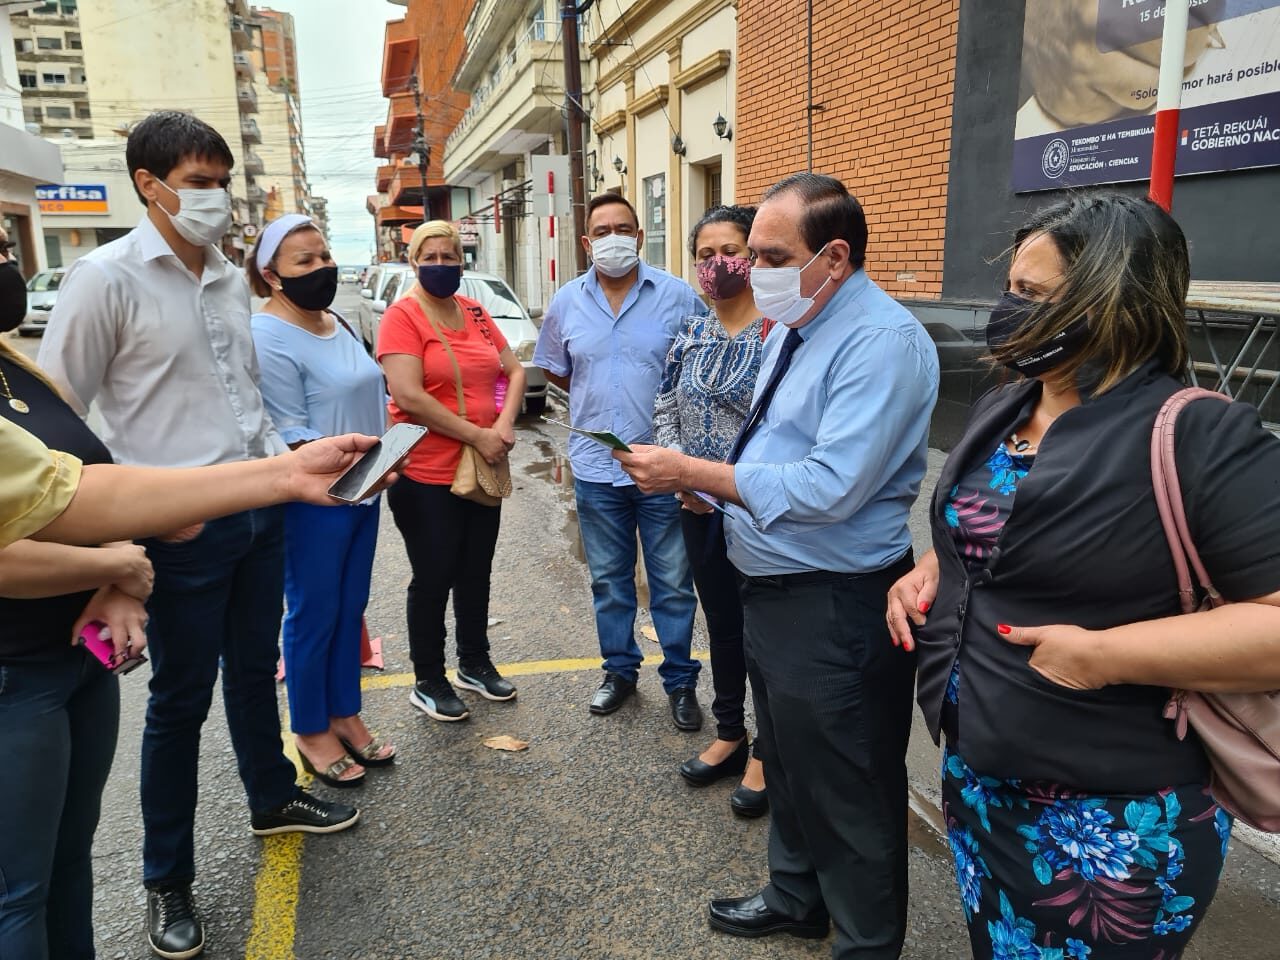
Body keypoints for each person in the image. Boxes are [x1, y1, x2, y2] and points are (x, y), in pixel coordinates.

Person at [886, 192, 1280, 960]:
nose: (1007, 310)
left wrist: (1101, 656)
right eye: (1011, 289)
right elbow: (1003, 518)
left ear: (1112, 303)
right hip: (979, 782)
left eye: (1032, 296)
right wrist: (940, 565)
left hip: (1113, 825)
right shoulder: (1008, 402)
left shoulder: (1199, 432)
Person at [37, 110, 356, 960]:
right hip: (173, 530)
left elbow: (245, 405)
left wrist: (279, 478)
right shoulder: (105, 279)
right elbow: (58, 427)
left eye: (223, 183)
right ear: (150, 185)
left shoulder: (224, 277)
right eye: (200, 183)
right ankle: (166, 877)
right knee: (177, 705)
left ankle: (271, 795)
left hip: (256, 512)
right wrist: (108, 555)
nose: (216, 199)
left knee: (256, 673)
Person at [616, 173, 939, 960]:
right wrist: (716, 495)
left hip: (833, 598)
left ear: (833, 256)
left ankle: (865, 943)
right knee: (789, 758)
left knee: (849, 785)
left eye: (768, 254)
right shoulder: (797, 321)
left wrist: (696, 475)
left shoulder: (882, 343)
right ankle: (796, 895)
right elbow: (768, 444)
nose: (749, 270)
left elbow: (831, 485)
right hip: (770, 583)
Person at [534, 192, 706, 729]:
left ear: (639, 235)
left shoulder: (679, 297)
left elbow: (699, 372)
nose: (613, 237)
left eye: (623, 228)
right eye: (601, 229)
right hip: (595, 468)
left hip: (662, 468)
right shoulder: (566, 303)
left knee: (673, 583)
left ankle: (680, 682)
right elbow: (558, 370)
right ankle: (620, 673)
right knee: (609, 581)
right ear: (587, 242)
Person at [249, 214, 393, 787]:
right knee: (313, 612)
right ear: (272, 275)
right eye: (304, 262)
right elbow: (289, 432)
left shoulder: (335, 318)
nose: (322, 268)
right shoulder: (267, 334)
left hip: (366, 489)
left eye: (324, 255)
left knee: (349, 606)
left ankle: (344, 713)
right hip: (315, 497)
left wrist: (384, 463)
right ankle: (310, 727)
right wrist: (358, 469)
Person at [378, 220, 526, 722]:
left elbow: (515, 370)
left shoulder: (477, 313)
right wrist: (478, 435)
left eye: (452, 257)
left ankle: (474, 662)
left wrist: (503, 424)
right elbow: (408, 396)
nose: (443, 265)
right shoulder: (403, 317)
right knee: (434, 574)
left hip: (481, 466)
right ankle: (428, 677)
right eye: (432, 256)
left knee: (475, 571)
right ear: (414, 260)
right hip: (425, 471)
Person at [653, 204, 769, 816]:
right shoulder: (691, 333)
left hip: (756, 508)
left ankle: (767, 753)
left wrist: (720, 480)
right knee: (721, 624)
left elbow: (782, 424)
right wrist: (680, 470)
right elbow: (666, 404)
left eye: (731, 250)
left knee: (762, 636)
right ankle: (731, 731)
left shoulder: (779, 336)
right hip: (695, 506)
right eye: (703, 254)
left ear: (753, 257)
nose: (716, 263)